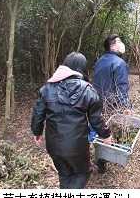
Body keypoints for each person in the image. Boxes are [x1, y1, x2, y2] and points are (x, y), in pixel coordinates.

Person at [31, 52, 112, 188]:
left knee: (64, 173)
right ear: (82, 68)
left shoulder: (47, 89)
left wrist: (37, 132)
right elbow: (96, 119)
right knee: (82, 173)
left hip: (54, 146)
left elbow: (38, 114)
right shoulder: (87, 89)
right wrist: (106, 134)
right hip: (77, 147)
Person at [93, 34, 130, 174]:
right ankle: (110, 156)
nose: (122, 44)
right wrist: (126, 106)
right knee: (110, 129)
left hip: (96, 101)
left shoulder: (100, 60)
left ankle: (100, 161)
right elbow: (121, 87)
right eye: (119, 41)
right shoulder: (119, 63)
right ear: (112, 46)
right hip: (111, 104)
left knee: (101, 130)